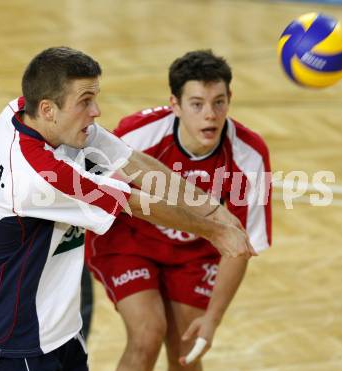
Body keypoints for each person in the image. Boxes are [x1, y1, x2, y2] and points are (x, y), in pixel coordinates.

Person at [0, 47, 255, 371]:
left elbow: (135, 163)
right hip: (12, 339)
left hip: (57, 328)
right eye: (85, 101)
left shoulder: (24, 112)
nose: (96, 111)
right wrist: (215, 232)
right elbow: (135, 202)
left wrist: (214, 211)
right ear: (48, 109)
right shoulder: (40, 178)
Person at [85, 50, 272, 371]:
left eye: (219, 102)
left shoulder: (249, 155)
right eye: (197, 104)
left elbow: (240, 245)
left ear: (230, 98)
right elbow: (101, 195)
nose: (210, 115)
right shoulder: (138, 133)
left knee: (188, 352)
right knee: (147, 334)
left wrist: (213, 319)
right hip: (129, 241)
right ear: (175, 104)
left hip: (194, 253)